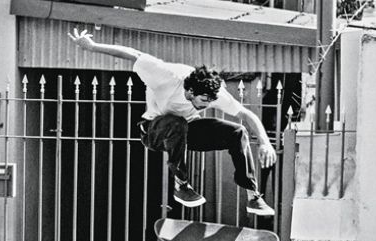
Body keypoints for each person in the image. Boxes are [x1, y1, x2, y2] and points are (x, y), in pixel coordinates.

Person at [68, 28, 277, 216]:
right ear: (190, 91)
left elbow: (248, 116)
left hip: (187, 130)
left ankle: (253, 196)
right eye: (203, 101)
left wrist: (265, 143)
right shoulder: (166, 75)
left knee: (238, 132)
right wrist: (92, 46)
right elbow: (133, 54)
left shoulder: (214, 93)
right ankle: (181, 185)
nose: (207, 106)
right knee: (177, 123)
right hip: (153, 129)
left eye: (210, 102)